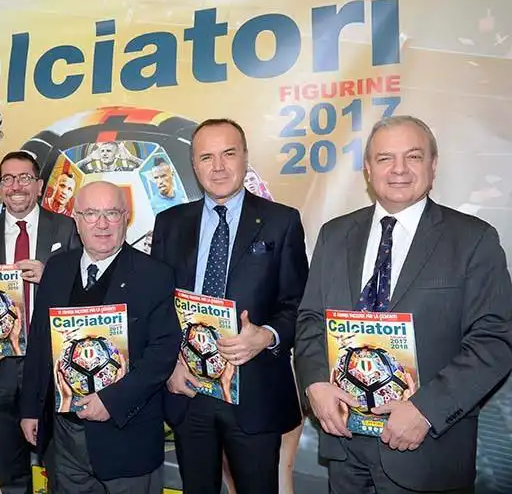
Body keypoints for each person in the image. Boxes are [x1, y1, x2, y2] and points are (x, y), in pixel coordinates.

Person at [294, 115, 512, 493]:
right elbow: (311, 319)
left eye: (413, 156)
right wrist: (314, 383)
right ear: (368, 168)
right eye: (385, 158)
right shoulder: (334, 234)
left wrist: (426, 411)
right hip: (344, 446)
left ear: (433, 164)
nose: (398, 169)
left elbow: (494, 340)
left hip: (427, 450)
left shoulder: (473, 240)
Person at [151, 118, 309, 494]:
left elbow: (299, 305)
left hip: (254, 392)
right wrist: (170, 365)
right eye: (207, 157)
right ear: (194, 165)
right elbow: (156, 308)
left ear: (245, 158)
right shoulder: (169, 223)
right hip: (189, 391)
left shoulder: (281, 221)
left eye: (228, 154)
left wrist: (266, 336)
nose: (218, 166)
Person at [20, 181, 180, 493]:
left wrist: (111, 401)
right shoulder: (57, 268)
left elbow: (162, 352)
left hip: (126, 438)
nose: (102, 224)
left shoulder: (154, 274)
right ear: (76, 219)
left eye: (112, 213)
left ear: (126, 217)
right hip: (64, 438)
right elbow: (40, 341)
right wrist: (30, 410)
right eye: (91, 213)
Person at [0, 151, 80, 494]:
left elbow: (85, 293)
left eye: (25, 178)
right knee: (11, 474)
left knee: (62, 468)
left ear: (39, 186)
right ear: (0, 188)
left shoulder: (66, 228)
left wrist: (51, 278)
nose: (16, 186)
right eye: (8, 179)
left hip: (51, 365)